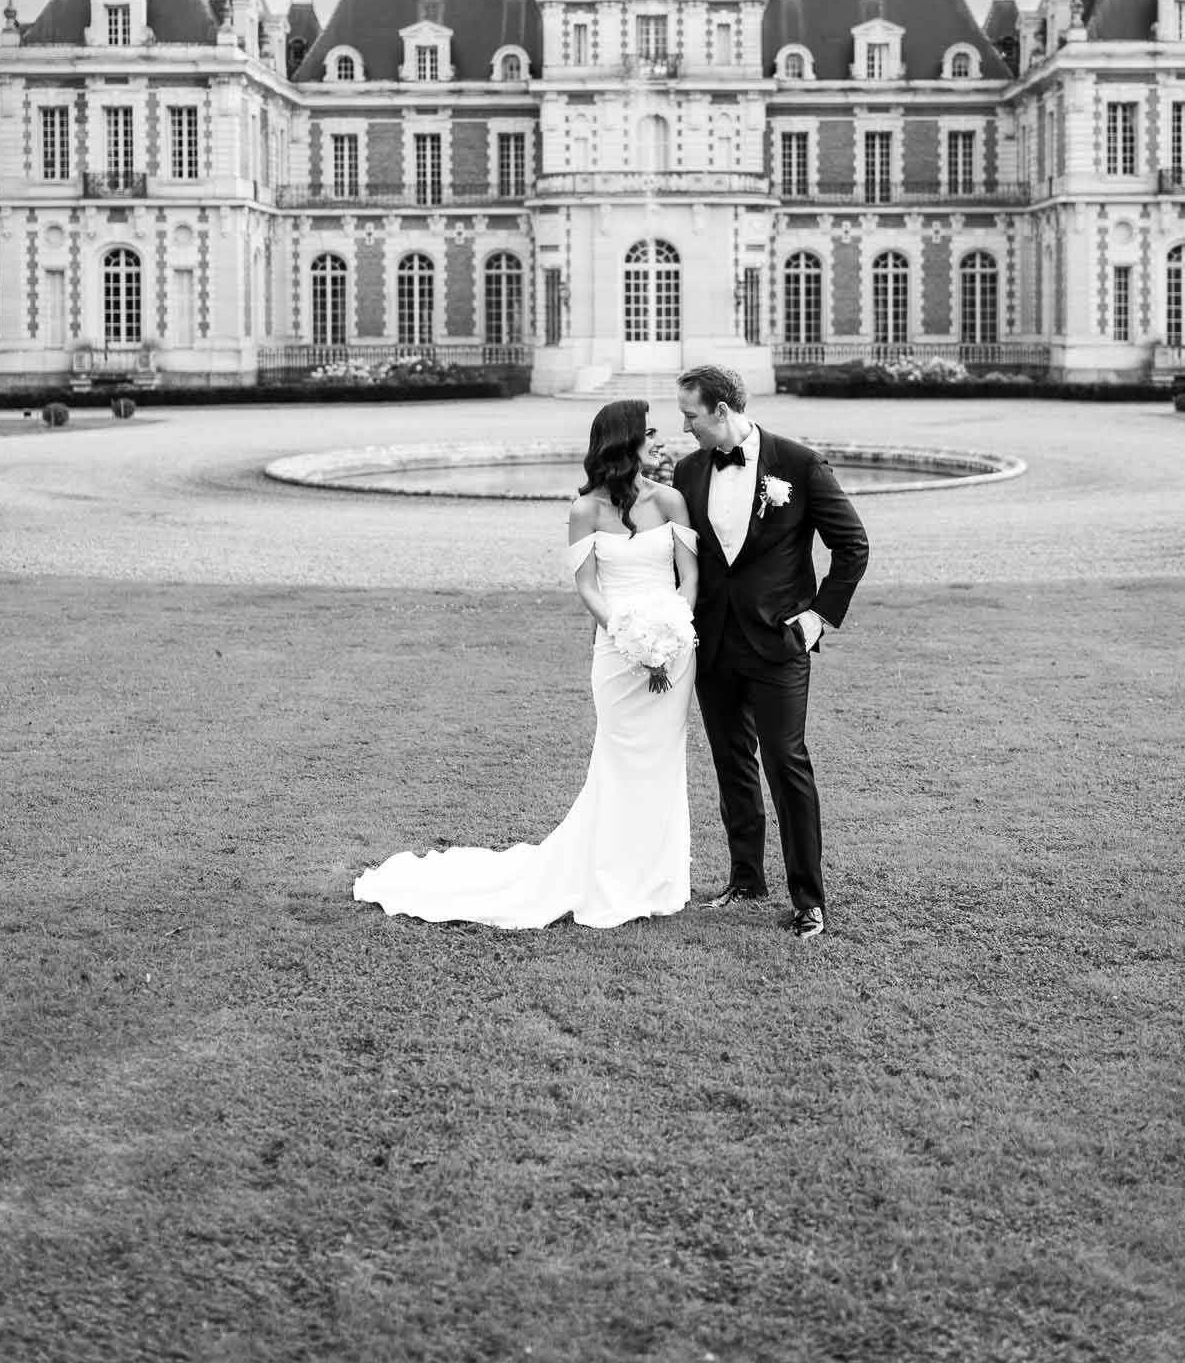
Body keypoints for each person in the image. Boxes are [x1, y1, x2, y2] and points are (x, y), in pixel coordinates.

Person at [353, 400, 698, 929]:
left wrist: (674, 630)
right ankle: (606, 874)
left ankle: (657, 878)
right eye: (648, 433)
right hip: (617, 650)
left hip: (675, 648)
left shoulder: (671, 500)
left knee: (663, 761)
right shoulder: (584, 511)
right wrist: (627, 636)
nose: (659, 441)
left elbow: (689, 576)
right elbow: (586, 586)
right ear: (623, 443)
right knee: (618, 757)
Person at [673, 365, 869, 941]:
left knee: (787, 764)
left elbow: (851, 546)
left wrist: (817, 617)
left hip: (780, 642)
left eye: (691, 416)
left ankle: (809, 900)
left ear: (722, 411)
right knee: (733, 763)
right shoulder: (688, 471)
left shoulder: (799, 464)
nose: (684, 427)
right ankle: (745, 878)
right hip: (714, 643)